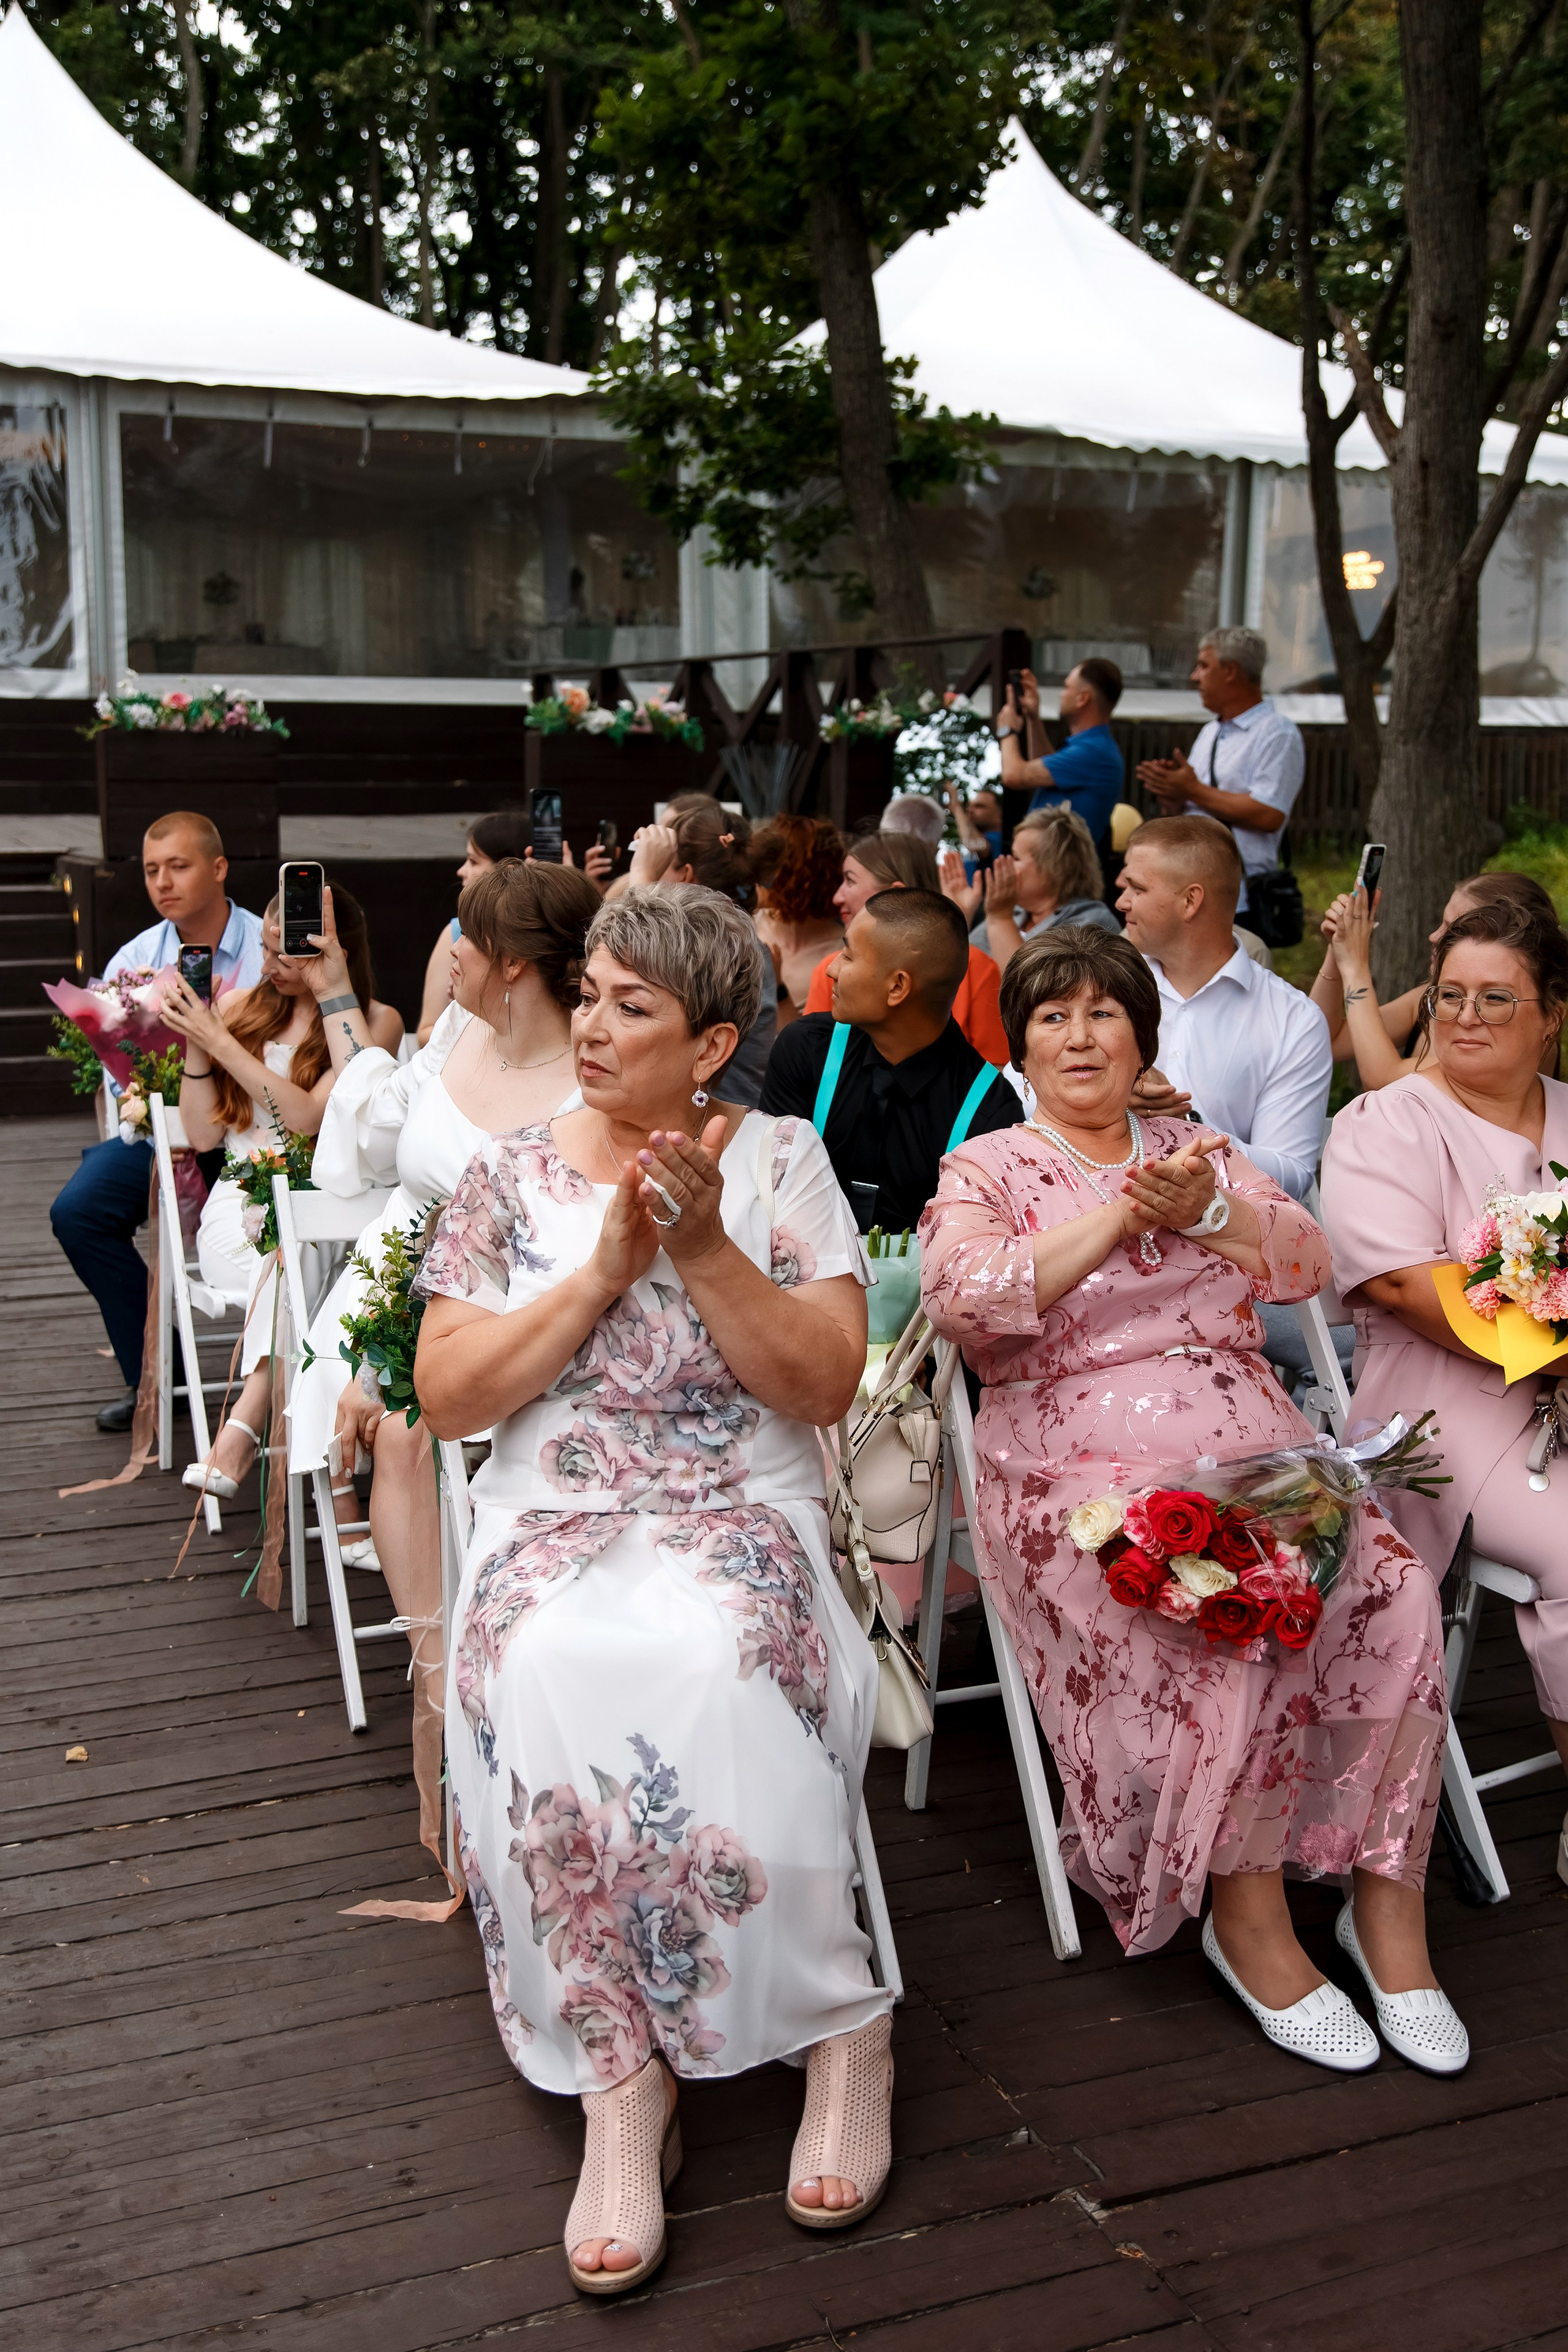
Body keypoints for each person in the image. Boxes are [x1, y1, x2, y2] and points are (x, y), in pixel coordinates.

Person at [412, 885, 894, 2294]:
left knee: (727, 1655)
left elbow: (819, 1383)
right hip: (555, 1512)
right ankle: (620, 2072)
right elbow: (447, 1397)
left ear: (711, 1042)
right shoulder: (506, 1178)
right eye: (590, 994)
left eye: (635, 1006)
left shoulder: (784, 1162)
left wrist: (696, 1244)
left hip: (737, 1505)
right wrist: (602, 1272)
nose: (593, 1026)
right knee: (542, 1656)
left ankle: (839, 2020)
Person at [919, 928, 1465, 2076]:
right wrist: (1121, 1215)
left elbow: (1306, 1261)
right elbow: (968, 1305)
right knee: (1226, 1616)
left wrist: (1207, 1211)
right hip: (1079, 1467)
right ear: (1021, 1044)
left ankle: (1388, 1911)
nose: (1080, 1035)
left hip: (1254, 1442)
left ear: (1141, 1035)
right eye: (1054, 1016)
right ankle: (1248, 1916)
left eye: (1104, 1014)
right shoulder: (989, 1168)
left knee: (1395, 1589)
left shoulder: (1202, 1147)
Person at [1322, 900, 1568, 1882]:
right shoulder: (1386, 1122)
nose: (1464, 1016)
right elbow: (1401, 1288)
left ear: (1551, 1013)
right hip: (1440, 1407)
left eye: (1496, 999)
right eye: (1452, 995)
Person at [160, 886, 402, 1498]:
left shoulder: (375, 1023)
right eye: (266, 950)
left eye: (284, 955)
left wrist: (222, 1046)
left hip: (323, 1210)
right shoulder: (241, 1008)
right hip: (239, 1206)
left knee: (301, 1256)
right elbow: (200, 1132)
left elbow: (307, 1119)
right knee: (294, 1265)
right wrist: (199, 1041)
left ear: (332, 952)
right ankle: (339, 1498)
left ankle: (242, 1427)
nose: (267, 966)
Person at [50, 812, 265, 1431]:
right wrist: (146, 1104)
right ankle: (157, 1378)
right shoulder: (136, 958)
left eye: (179, 866)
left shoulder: (265, 946)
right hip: (162, 1133)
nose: (163, 882)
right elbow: (118, 1073)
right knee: (79, 1212)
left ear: (218, 868)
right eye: (151, 870)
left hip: (248, 1134)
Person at [761, 889, 1019, 1234]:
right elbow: (769, 1197)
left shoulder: (989, 1111)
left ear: (898, 987)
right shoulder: (806, 1051)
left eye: (849, 956)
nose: (832, 969)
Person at [1117, 815, 1331, 1202]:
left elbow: (1293, 1175)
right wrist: (1102, 1095)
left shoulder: (1293, 1020)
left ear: (1190, 901)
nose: (1121, 902)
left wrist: (1189, 1128)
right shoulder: (1099, 986)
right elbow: (1017, 1089)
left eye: (1137, 887)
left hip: (1220, 1244)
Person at [1311, 868, 1560, 1090]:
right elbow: (1325, 1039)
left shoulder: (1524, 1024)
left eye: (1454, 929)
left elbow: (1386, 1081)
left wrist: (1355, 966)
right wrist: (1338, 947)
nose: (1434, 936)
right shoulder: (1429, 998)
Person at [1134, 627, 1305, 927]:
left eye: (1203, 666)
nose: (1194, 677)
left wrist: (1192, 789)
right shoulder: (1210, 731)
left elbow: (1270, 815)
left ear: (1230, 671)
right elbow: (1196, 806)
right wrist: (1173, 798)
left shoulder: (1277, 733)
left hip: (1240, 899)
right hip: (1190, 889)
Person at [610, 799, 777, 1103]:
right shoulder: (744, 943)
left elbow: (630, 956)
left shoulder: (719, 951)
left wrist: (642, 873)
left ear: (686, 875)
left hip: (711, 1125)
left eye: (664, 866)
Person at [803, 832, 1009, 1066]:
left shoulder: (976, 967)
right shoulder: (830, 971)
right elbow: (810, 1060)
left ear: (894, 892)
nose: (837, 897)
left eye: (850, 881)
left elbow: (994, 1069)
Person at [415, 809, 533, 1046]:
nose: (462, 871)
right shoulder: (455, 932)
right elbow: (426, 1033)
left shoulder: (543, 938)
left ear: (508, 871)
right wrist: (462, 1011)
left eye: (474, 861)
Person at [967, 808, 1119, 975]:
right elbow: (963, 972)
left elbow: (1028, 991)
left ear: (1054, 868)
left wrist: (1001, 920)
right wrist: (962, 914)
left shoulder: (1092, 923)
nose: (1004, 863)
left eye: (1016, 858)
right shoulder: (1015, 913)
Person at [996, 658, 1126, 850]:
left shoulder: (1094, 751)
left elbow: (1014, 776)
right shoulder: (1093, 747)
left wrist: (1007, 730)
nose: (1061, 694)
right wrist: (1033, 717)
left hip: (1064, 875)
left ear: (1083, 698)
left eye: (1066, 687)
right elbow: (1042, 769)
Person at [750, 813, 845, 1028]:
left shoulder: (843, 953)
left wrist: (778, 988)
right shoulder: (747, 925)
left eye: (769, 866)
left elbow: (810, 1047)